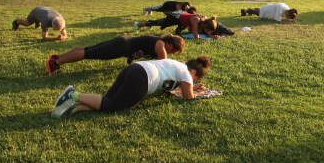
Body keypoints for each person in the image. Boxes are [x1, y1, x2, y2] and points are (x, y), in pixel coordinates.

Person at [51, 56, 212, 117]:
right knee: (113, 105)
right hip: (142, 78)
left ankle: (72, 108)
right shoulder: (186, 72)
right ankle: (73, 95)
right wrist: (197, 93)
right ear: (194, 73)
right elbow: (188, 97)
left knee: (107, 101)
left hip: (135, 69)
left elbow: (173, 87)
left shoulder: (178, 65)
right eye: (194, 80)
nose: (191, 82)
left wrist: (193, 87)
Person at [46, 34, 185, 75]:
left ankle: (58, 57)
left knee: (89, 49)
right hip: (122, 46)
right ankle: (55, 63)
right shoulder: (161, 45)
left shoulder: (159, 42)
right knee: (89, 53)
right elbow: (164, 64)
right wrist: (180, 67)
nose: (170, 53)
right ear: (171, 45)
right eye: (173, 51)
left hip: (122, 41)